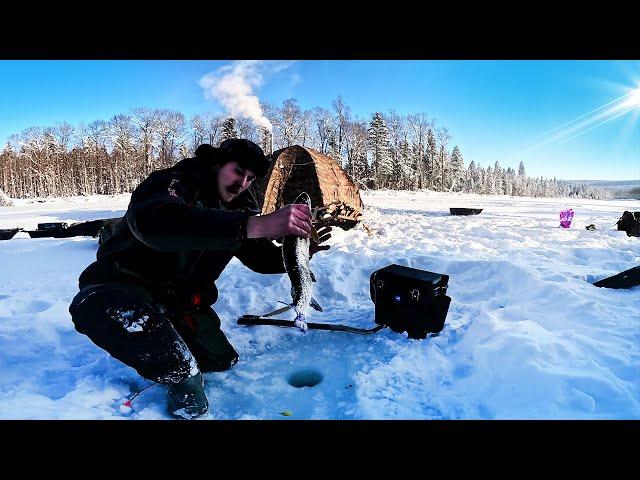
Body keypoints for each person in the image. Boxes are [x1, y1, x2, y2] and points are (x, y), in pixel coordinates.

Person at [69, 139, 331, 419]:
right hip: (121, 286)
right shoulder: (173, 183)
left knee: (220, 361)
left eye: (250, 178)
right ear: (217, 164)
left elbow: (261, 259)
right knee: (104, 312)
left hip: (177, 303)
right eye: (237, 171)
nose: (242, 183)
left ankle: (169, 336)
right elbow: (154, 223)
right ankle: (181, 381)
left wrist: (301, 252)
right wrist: (255, 225)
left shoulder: (236, 211)